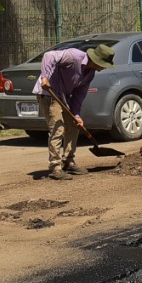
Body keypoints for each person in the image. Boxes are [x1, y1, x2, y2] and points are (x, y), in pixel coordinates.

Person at [32, 43, 115, 180]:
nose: (104, 67)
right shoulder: (74, 56)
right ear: (96, 60)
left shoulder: (90, 74)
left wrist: (76, 114)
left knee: (74, 125)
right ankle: (55, 167)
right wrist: (45, 76)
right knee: (58, 128)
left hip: (63, 97)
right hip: (49, 93)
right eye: (104, 64)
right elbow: (49, 55)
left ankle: (68, 161)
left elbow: (78, 96)